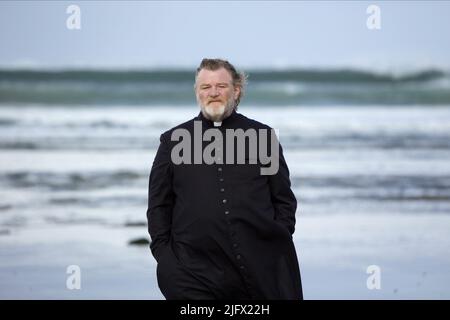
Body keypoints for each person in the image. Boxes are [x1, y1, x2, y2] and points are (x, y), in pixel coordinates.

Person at [146, 58, 302, 300]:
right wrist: (165, 258)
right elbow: (158, 206)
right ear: (197, 92)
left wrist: (277, 241)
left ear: (236, 90)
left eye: (221, 86)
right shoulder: (172, 141)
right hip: (191, 273)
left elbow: (283, 200)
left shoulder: (263, 137)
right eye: (205, 87)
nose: (213, 93)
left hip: (259, 270)